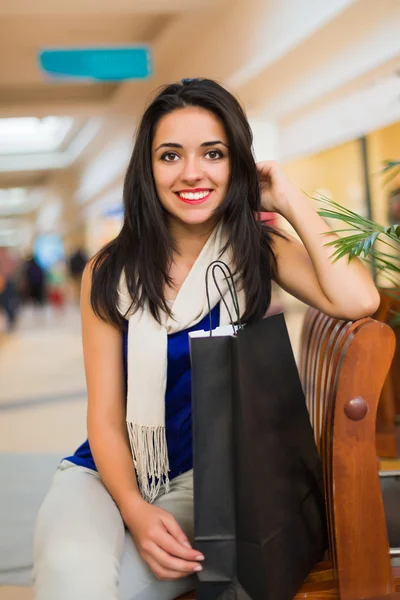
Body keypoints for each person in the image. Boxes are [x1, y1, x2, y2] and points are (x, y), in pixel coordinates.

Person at [33, 78, 379, 600]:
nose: (192, 172)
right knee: (67, 572)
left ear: (236, 162)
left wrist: (287, 199)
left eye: (213, 153)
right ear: (147, 170)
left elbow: (359, 300)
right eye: (170, 155)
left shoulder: (257, 250)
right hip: (105, 475)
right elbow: (104, 415)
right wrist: (134, 509)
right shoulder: (109, 271)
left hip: (210, 484)